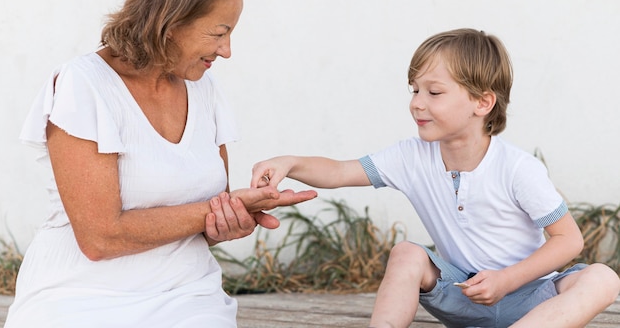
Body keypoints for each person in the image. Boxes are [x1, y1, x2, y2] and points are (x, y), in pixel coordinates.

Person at [6, 0, 317, 328]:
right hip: (79, 297)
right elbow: (100, 239)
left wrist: (231, 218)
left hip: (187, 297)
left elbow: (196, 221)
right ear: (170, 23)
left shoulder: (204, 89)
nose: (227, 50)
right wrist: (212, 210)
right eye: (218, 33)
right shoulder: (84, 86)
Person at [251, 28, 620, 328]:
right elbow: (339, 171)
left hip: (529, 299)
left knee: (603, 278)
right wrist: (290, 162)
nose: (417, 102)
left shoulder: (517, 168)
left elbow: (569, 240)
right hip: (462, 294)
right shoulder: (412, 157)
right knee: (407, 254)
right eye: (414, 90)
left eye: (434, 92)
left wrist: (507, 280)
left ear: (482, 102)